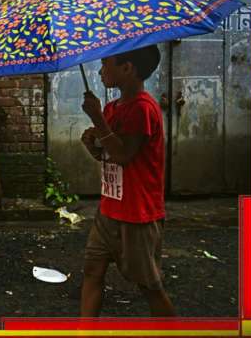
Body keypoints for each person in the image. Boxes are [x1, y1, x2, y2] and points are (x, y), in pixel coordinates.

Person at [79, 44, 175, 317]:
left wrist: (97, 118)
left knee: (149, 286)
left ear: (127, 68)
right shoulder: (112, 107)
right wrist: (92, 143)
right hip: (109, 210)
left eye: (106, 63)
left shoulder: (143, 109)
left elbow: (124, 155)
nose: (100, 70)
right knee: (92, 272)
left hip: (137, 216)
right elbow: (107, 154)